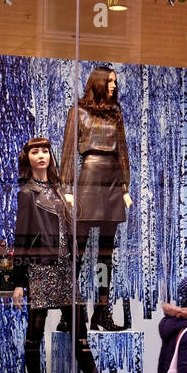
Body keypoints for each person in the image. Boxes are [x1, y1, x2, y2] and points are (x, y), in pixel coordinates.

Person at [12, 137, 106, 373]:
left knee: (80, 334)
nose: (41, 156)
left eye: (45, 151)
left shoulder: (59, 189)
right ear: (27, 157)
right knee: (35, 333)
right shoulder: (27, 193)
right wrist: (19, 281)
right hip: (41, 268)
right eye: (34, 152)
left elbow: (75, 227)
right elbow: (22, 236)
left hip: (65, 270)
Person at [62, 66, 133, 332]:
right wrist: (67, 187)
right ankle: (69, 312)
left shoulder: (115, 114)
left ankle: (101, 312)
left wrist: (125, 186)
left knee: (105, 254)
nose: (114, 86)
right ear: (99, 83)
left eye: (115, 81)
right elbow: (69, 149)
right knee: (77, 254)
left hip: (113, 182)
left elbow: (123, 151)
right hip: (89, 179)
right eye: (110, 82)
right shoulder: (78, 112)